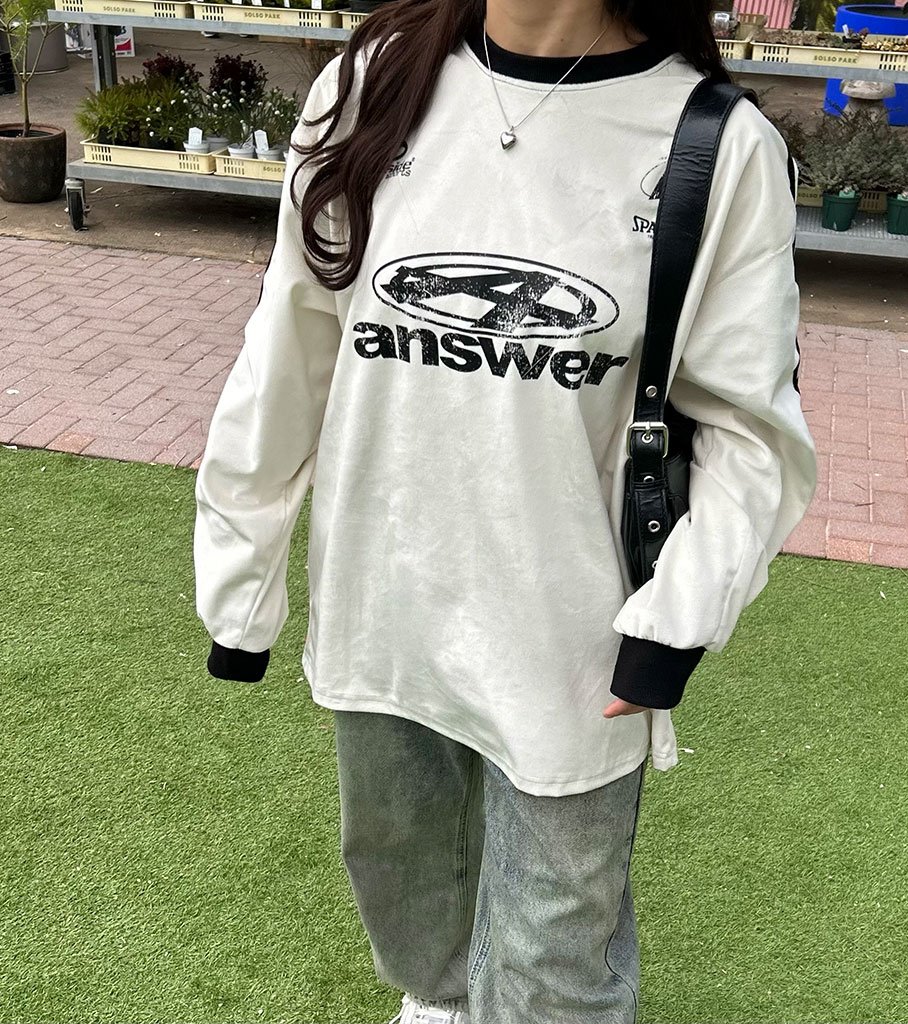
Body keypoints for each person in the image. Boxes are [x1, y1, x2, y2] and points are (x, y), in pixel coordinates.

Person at [192, 1, 818, 1022]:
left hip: (572, 639)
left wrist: (674, 623)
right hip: (383, 604)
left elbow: (752, 429)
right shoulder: (370, 84)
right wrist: (240, 583)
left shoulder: (715, 143)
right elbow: (292, 342)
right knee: (407, 897)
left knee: (553, 968)